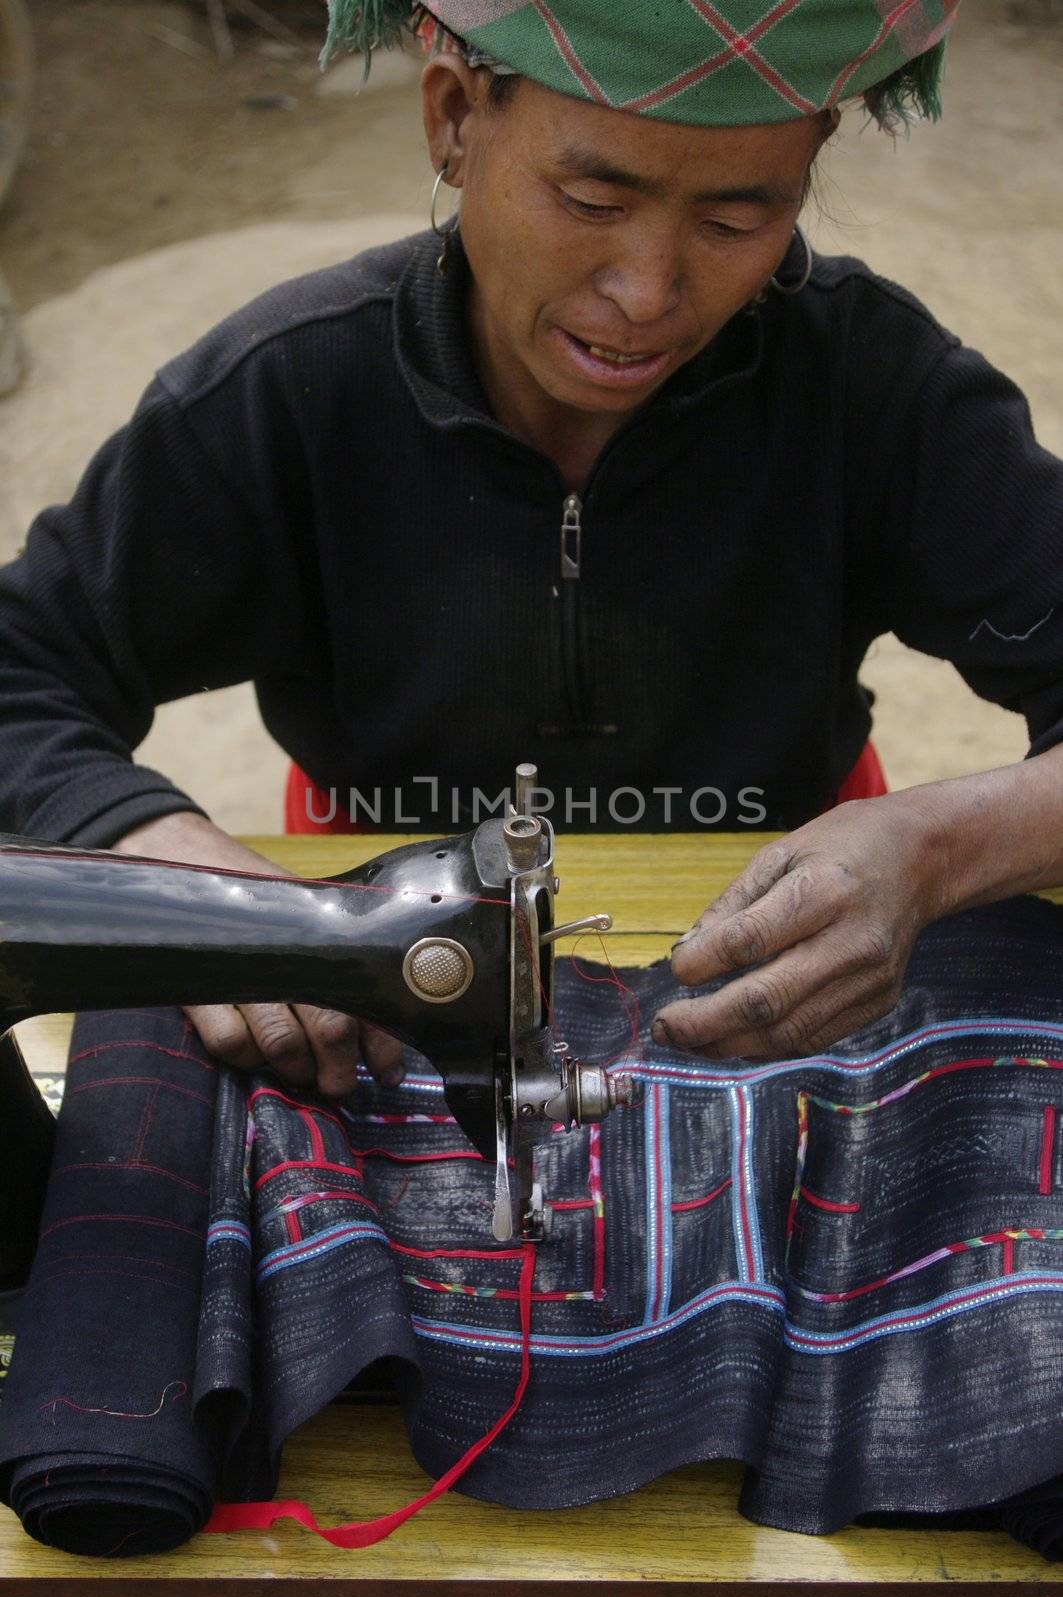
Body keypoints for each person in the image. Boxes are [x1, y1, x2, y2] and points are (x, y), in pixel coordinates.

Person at [0, 0, 1060, 1100]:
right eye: (591, 199)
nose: (646, 293)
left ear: (809, 167)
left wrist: (932, 851)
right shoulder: (290, 396)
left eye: (737, 221)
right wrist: (164, 856)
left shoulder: (876, 394)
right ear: (454, 120)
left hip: (781, 963)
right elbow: (21, 667)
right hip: (376, 966)